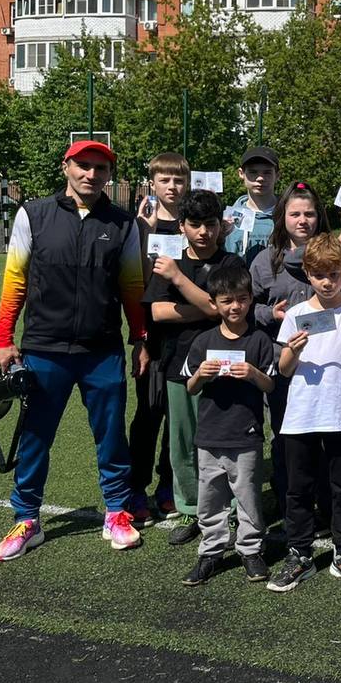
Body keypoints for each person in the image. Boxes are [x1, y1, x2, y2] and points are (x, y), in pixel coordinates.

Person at [0, 139, 149, 561]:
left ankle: (116, 513)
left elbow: (132, 287)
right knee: (35, 437)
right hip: (44, 349)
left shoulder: (123, 223)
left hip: (102, 350)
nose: (91, 174)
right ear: (66, 167)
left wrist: (140, 339)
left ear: (109, 175)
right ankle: (27, 519)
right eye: (83, 165)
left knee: (111, 437)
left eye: (100, 168)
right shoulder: (33, 214)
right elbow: (15, 280)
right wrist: (4, 339)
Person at [269, 234, 341, 592]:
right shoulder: (296, 315)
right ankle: (299, 554)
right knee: (298, 488)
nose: (327, 282)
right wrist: (294, 350)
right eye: (319, 275)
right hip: (302, 414)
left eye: (334, 274)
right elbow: (284, 370)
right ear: (307, 274)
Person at [145, 190, 243, 547]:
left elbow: (227, 309)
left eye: (210, 224)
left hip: (228, 364)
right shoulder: (168, 262)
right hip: (179, 363)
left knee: (226, 442)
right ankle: (191, 509)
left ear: (220, 226)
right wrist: (207, 308)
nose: (203, 231)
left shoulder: (231, 263)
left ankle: (229, 511)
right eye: (195, 224)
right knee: (183, 443)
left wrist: (181, 283)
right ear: (182, 227)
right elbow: (158, 312)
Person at [178, 262, 275, 586]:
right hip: (210, 434)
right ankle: (211, 552)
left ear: (250, 300)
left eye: (242, 299)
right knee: (210, 499)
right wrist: (200, 375)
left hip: (246, 434)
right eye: (227, 301)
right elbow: (190, 387)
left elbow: (270, 385)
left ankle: (251, 549)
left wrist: (253, 373)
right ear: (214, 303)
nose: (235, 307)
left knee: (247, 496)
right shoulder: (203, 341)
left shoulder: (259, 340)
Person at [249, 182, 327, 514]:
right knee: (285, 435)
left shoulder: (334, 254)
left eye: (309, 214)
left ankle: (325, 504)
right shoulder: (265, 260)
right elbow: (245, 307)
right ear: (282, 217)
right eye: (295, 214)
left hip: (327, 362)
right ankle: (289, 502)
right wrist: (271, 314)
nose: (302, 220)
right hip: (281, 361)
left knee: (324, 436)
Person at [128, 151, 189, 522]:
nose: (172, 186)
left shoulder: (191, 223)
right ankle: (136, 487)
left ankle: (168, 485)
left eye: (178, 179)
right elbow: (134, 280)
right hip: (152, 335)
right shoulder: (139, 225)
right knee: (148, 413)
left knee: (178, 416)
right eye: (165, 179)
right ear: (153, 183)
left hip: (185, 331)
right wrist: (147, 231)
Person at [223, 146, 280, 261]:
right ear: (241, 173)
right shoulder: (228, 218)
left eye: (267, 172)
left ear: (277, 175)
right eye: (253, 172)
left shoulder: (288, 216)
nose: (260, 178)